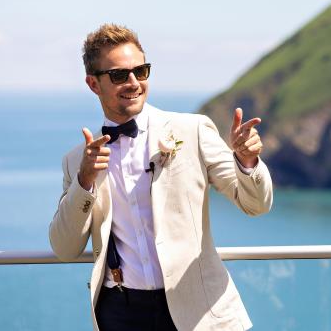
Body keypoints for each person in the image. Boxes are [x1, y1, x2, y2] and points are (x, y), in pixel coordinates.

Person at [49, 24, 273, 331]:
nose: (133, 82)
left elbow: (256, 204)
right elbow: (64, 248)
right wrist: (84, 181)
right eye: (118, 75)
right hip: (120, 313)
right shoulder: (77, 160)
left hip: (198, 309)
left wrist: (247, 162)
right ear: (93, 84)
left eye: (141, 71)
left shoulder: (191, 130)